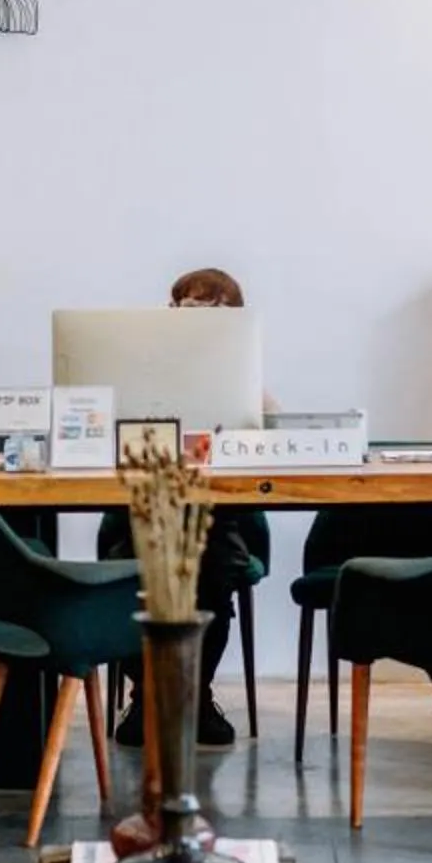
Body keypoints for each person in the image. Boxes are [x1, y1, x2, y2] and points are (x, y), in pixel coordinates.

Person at [103, 266, 273, 750]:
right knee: (136, 577)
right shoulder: (141, 365)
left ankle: (193, 694)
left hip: (217, 516)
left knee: (215, 573)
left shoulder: (238, 372)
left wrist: (246, 383)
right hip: (140, 509)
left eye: (211, 313)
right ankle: (147, 695)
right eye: (187, 309)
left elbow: (270, 426)